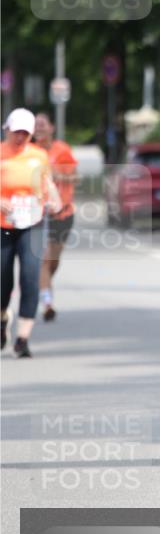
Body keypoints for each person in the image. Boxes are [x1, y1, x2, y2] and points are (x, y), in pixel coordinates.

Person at [1, 108, 62, 357]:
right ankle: (3, 318)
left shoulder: (39, 155)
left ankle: (23, 338)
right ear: (7, 130)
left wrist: (55, 201)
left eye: (26, 133)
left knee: (29, 276)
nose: (20, 138)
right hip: (3, 226)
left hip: (33, 222)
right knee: (2, 279)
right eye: (16, 132)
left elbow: (47, 184)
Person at [33, 112, 78, 321]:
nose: (39, 129)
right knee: (44, 258)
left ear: (51, 128)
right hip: (40, 213)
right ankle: (47, 301)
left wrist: (55, 174)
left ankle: (42, 285)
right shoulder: (29, 152)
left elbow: (74, 177)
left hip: (64, 212)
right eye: (36, 126)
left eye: (42, 125)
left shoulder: (62, 150)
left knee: (53, 260)